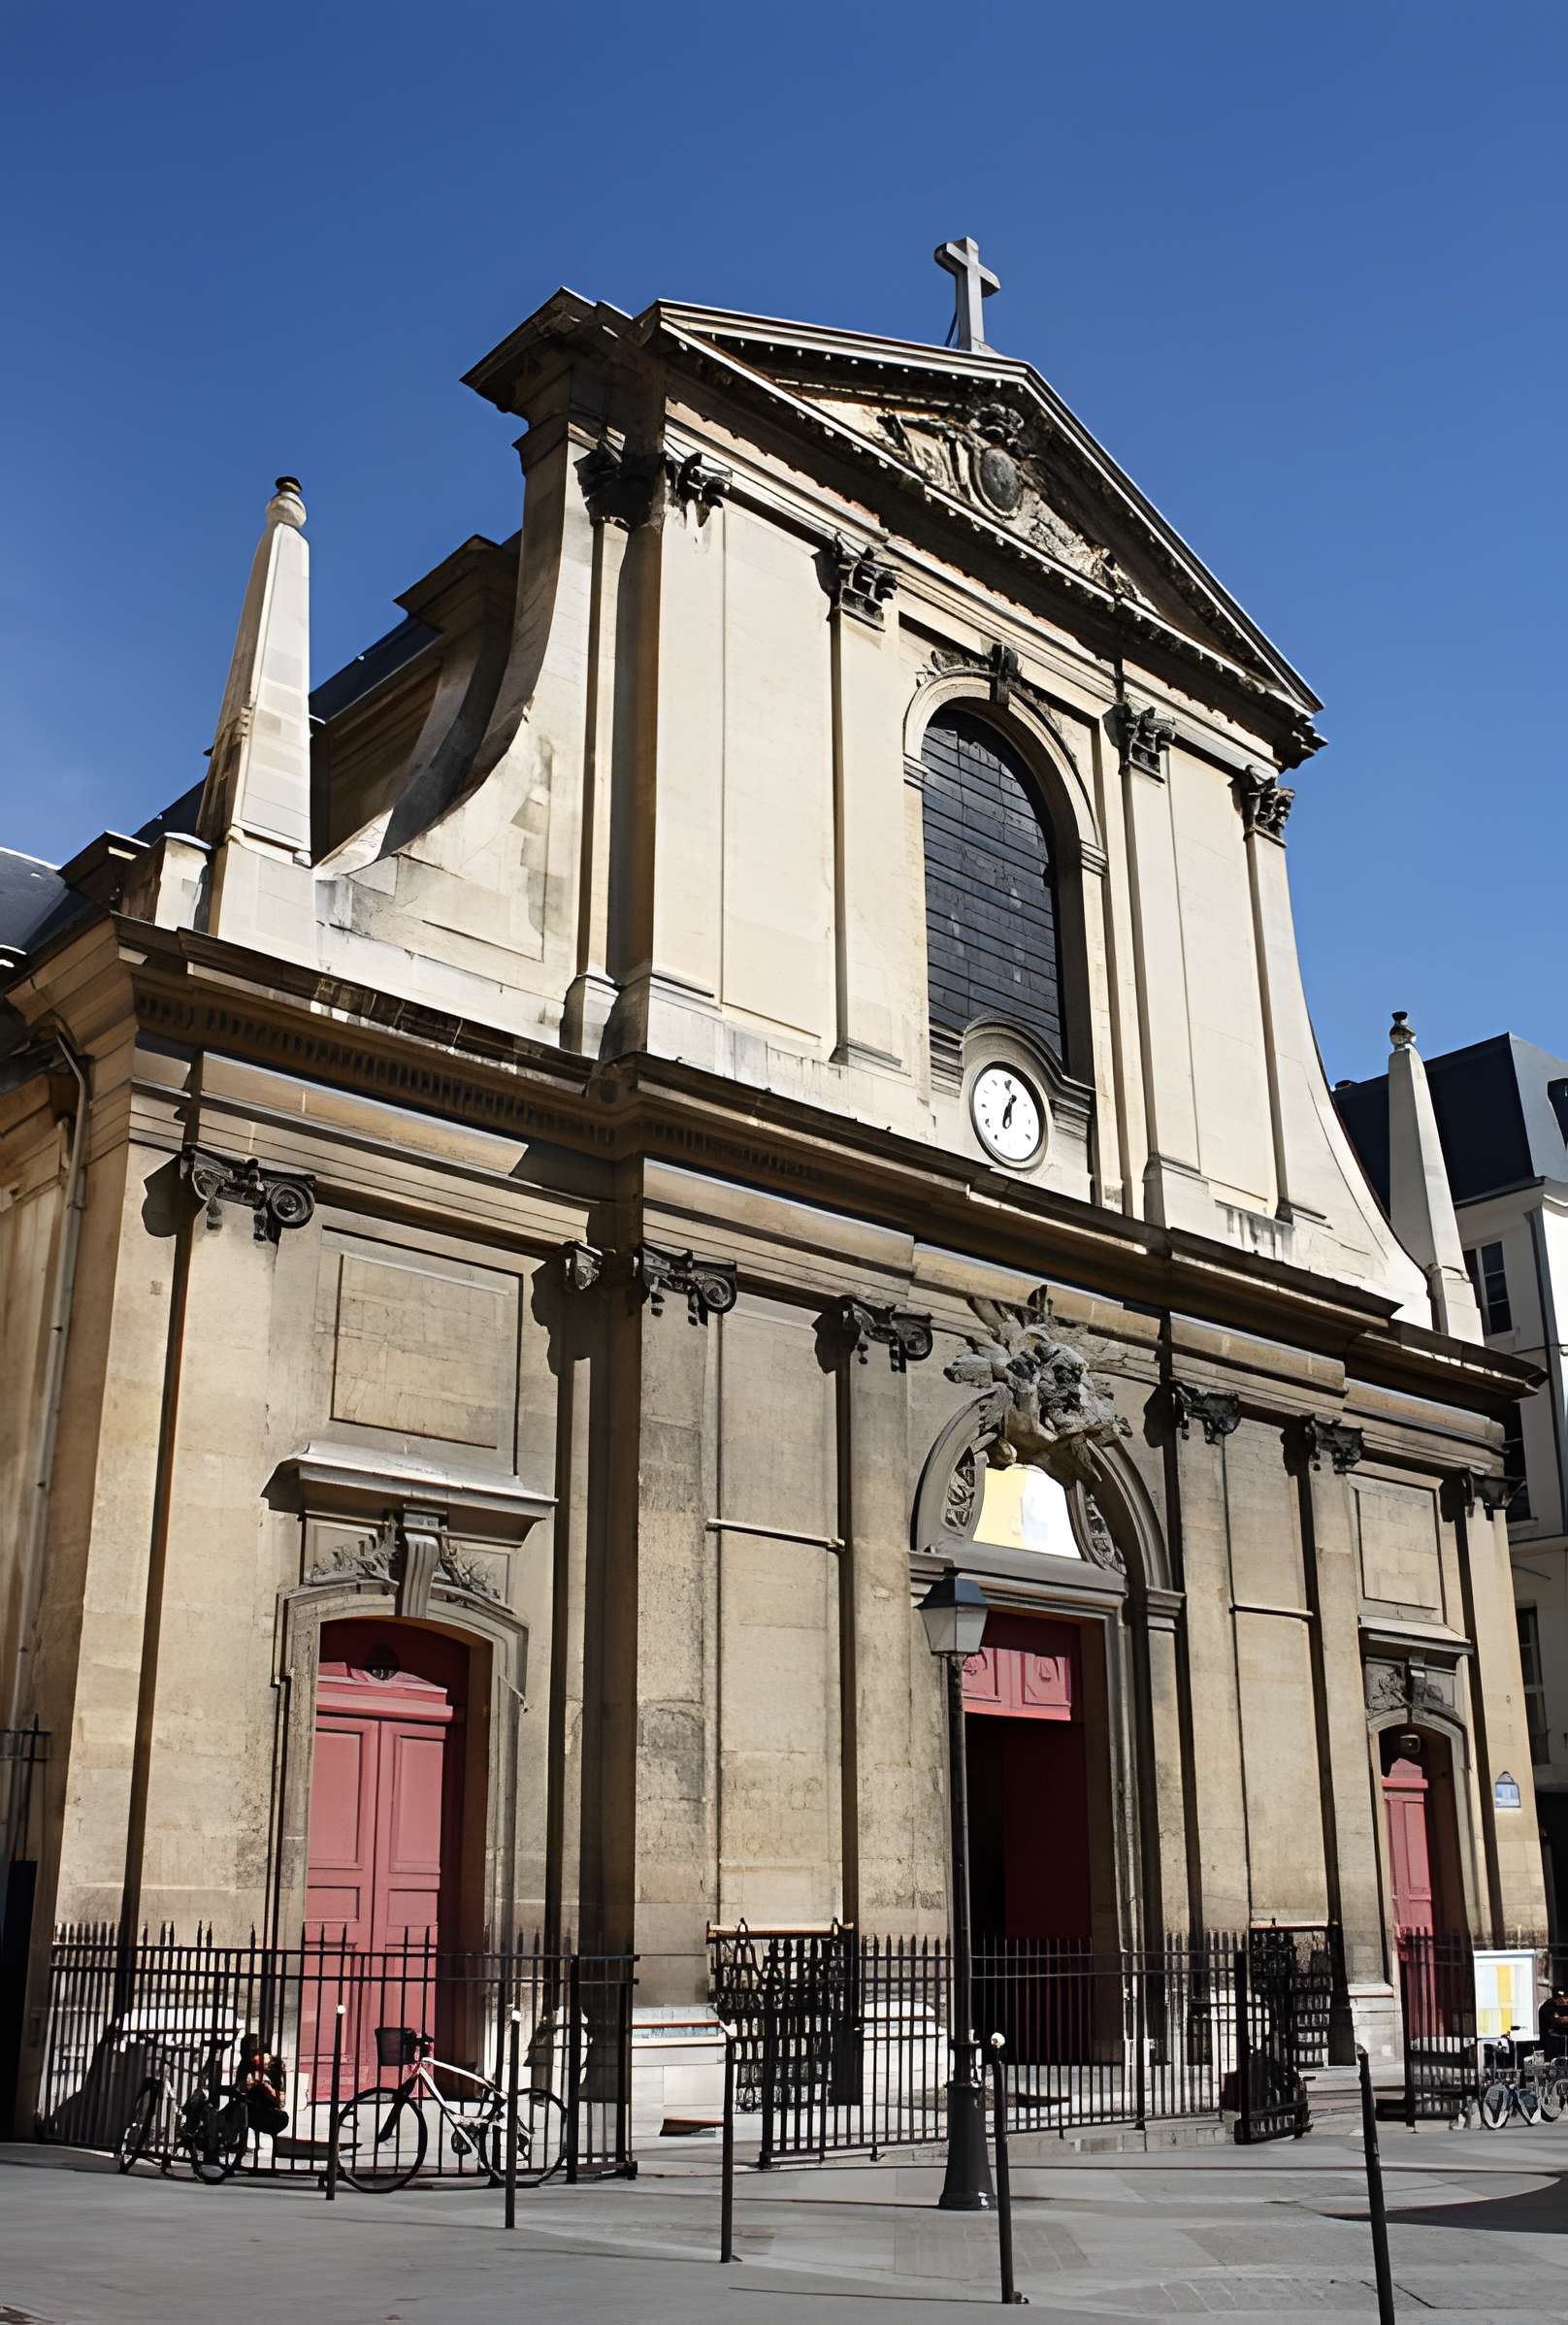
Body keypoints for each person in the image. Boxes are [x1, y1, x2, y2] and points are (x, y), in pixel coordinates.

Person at [238, 2032, 290, 2138]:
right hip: (252, 2108)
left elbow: (279, 2096)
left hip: (267, 2109)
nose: (254, 2054)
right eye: (251, 2050)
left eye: (255, 2050)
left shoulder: (270, 2063)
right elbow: (241, 2087)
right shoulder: (245, 2065)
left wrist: (264, 2085)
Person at [1538, 1985, 1568, 2062]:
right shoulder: (1548, 2006)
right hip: (1550, 2044)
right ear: (1560, 1999)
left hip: (1559, 2042)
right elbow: (1559, 2021)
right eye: (1565, 1999)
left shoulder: (1561, 2006)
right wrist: (1563, 2019)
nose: (1566, 2001)